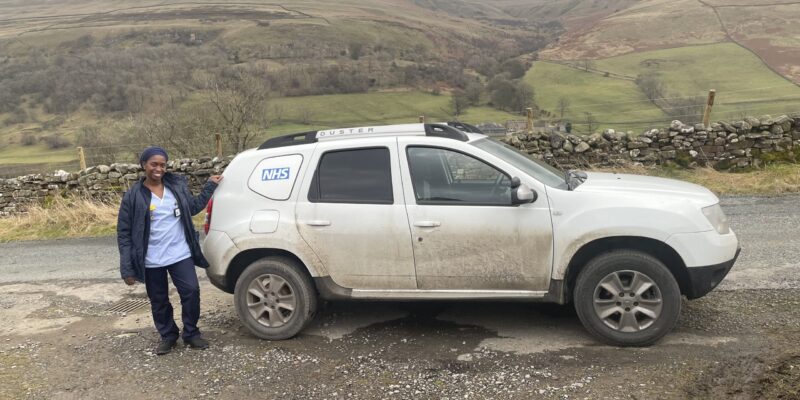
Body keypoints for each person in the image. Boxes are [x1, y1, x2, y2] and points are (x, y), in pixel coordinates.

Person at [117, 146, 223, 355]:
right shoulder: (133, 196)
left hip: (179, 253)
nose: (159, 168)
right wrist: (127, 269)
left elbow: (192, 207)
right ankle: (168, 336)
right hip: (151, 259)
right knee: (159, 300)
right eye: (154, 164)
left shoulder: (177, 186)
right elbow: (124, 233)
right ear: (144, 165)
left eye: (162, 165)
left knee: (191, 292)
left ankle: (191, 333)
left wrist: (210, 186)